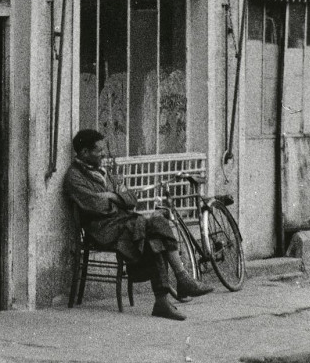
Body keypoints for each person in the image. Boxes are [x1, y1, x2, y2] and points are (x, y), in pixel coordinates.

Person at [64, 129, 212, 321]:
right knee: (155, 230)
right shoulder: (74, 177)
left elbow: (132, 199)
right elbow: (97, 207)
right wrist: (119, 198)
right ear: (84, 152)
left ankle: (167, 296)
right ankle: (178, 285)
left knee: (156, 229)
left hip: (123, 224)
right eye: (99, 150)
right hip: (103, 230)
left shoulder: (105, 172)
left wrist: (112, 196)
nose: (104, 154)